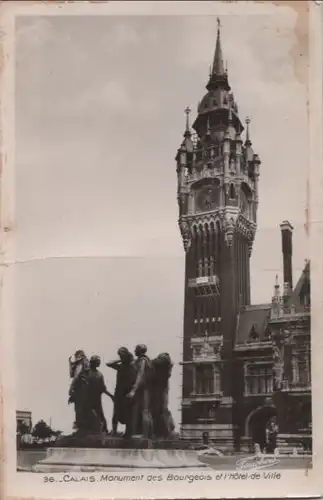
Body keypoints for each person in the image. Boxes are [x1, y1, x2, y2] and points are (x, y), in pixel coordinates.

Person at [106, 347, 136, 437]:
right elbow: (108, 363)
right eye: (119, 355)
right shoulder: (121, 366)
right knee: (116, 412)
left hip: (127, 392)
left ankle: (127, 433)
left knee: (128, 413)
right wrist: (120, 359)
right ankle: (114, 431)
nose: (121, 356)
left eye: (122, 354)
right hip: (119, 391)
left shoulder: (132, 366)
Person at [127, 344, 153, 439]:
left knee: (144, 411)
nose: (134, 351)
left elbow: (140, 375)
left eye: (135, 349)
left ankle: (145, 434)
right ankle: (143, 433)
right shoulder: (140, 360)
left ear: (140, 351)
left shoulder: (143, 361)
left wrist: (133, 390)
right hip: (142, 389)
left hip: (143, 389)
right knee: (141, 411)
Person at [151, 352, 175, 439]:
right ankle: (167, 431)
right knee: (162, 410)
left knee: (158, 410)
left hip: (159, 390)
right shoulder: (167, 368)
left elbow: (153, 362)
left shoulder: (160, 364)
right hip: (163, 390)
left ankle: (163, 432)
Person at [88, 355, 114, 433]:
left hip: (96, 399)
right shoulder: (85, 373)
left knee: (100, 417)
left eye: (99, 362)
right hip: (86, 399)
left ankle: (104, 431)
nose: (99, 363)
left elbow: (103, 388)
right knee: (91, 416)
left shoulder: (99, 375)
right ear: (92, 362)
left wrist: (111, 396)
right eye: (97, 361)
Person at [68, 350, 92, 433]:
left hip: (81, 387)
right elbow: (71, 374)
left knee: (79, 408)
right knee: (80, 408)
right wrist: (70, 364)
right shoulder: (81, 363)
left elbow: (76, 376)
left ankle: (82, 428)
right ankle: (82, 427)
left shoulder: (82, 362)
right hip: (82, 387)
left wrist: (71, 387)